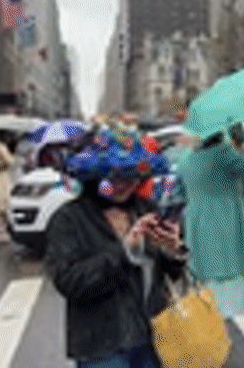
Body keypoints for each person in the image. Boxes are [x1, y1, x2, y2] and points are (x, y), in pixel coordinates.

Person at [45, 124, 187, 368]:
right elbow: (70, 281)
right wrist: (125, 252)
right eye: (115, 177)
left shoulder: (145, 208)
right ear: (94, 175)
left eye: (132, 175)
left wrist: (172, 249)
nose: (125, 184)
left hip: (153, 336)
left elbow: (166, 276)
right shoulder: (69, 219)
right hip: (101, 345)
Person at [175, 121, 244, 318]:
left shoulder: (185, 159)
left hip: (196, 219)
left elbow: (180, 192)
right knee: (226, 270)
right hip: (223, 216)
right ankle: (223, 317)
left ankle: (209, 317)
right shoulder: (223, 153)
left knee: (203, 272)